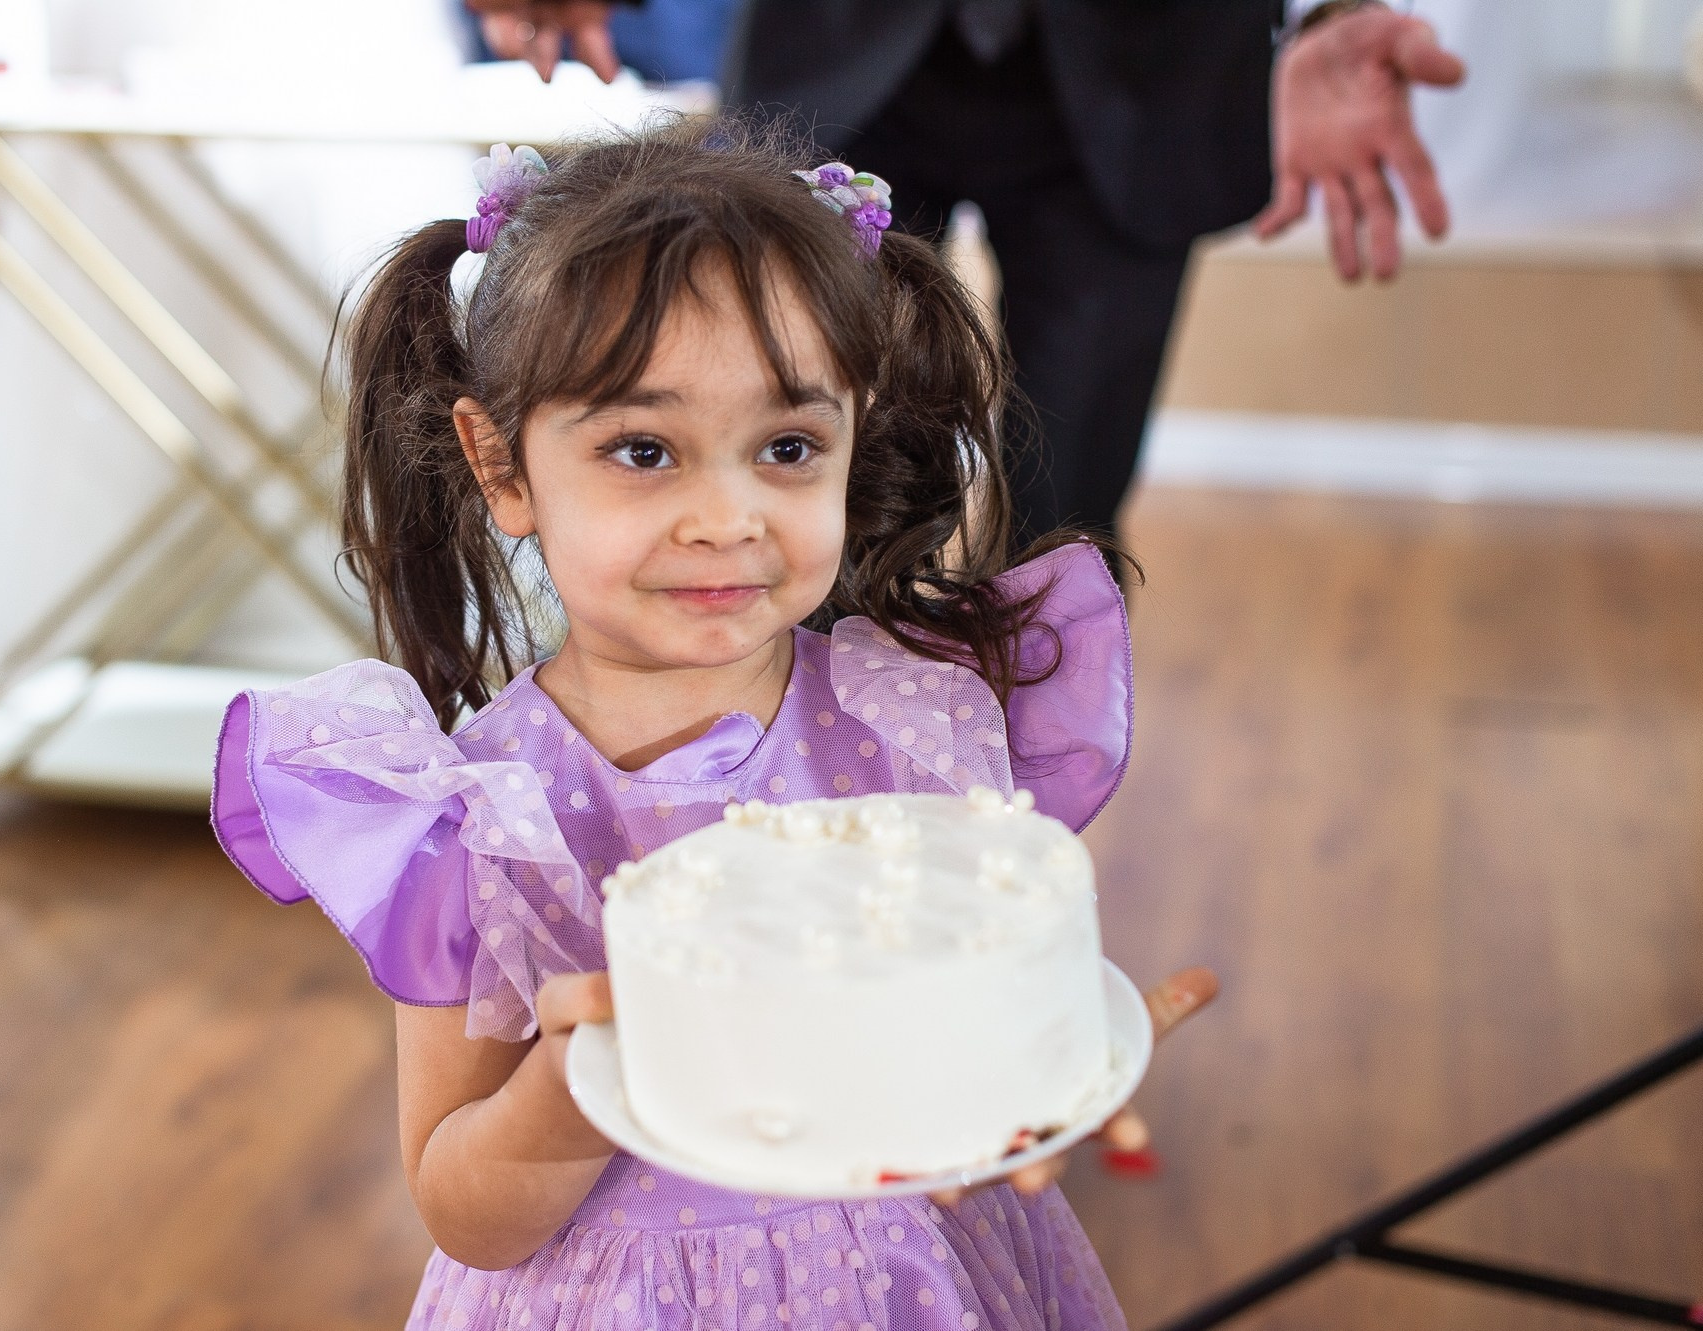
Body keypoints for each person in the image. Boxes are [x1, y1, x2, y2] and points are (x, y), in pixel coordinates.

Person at [213, 117, 1215, 1330]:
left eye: (787, 446)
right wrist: (594, 1075)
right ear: (502, 465)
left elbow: (938, 1035)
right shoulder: (477, 817)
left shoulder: (912, 724)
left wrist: (1036, 1069)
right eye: (645, 450)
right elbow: (463, 1206)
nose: (727, 515)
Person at [465, 0, 1466, 552]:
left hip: (1149, 81)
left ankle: (1007, 855)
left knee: (1063, 527)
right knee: (801, 494)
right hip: (840, 67)